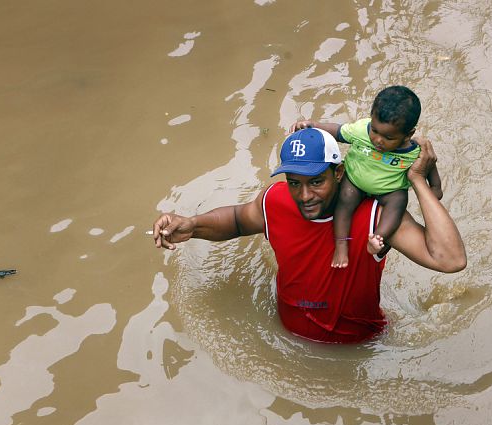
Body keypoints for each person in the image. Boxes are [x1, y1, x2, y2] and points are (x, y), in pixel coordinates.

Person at [152, 127, 465, 344]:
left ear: (338, 173)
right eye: (294, 183)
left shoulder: (376, 216)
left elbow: (450, 259)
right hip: (286, 332)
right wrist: (192, 225)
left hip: (361, 347)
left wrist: (418, 181)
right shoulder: (275, 201)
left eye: (316, 182)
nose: (304, 196)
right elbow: (236, 219)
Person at [289, 86, 443, 269]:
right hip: (356, 181)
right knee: (344, 200)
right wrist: (313, 126)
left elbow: (432, 173)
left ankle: (378, 239)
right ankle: (341, 245)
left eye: (388, 137)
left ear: (408, 134)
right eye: (375, 131)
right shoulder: (361, 130)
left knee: (399, 202)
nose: (378, 140)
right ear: (371, 119)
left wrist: (433, 190)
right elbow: (338, 131)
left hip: (389, 190)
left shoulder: (415, 152)